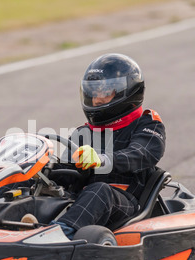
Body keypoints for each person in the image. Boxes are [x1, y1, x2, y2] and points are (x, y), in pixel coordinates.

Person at [50, 53, 166, 239]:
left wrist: (102, 159)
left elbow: (141, 153)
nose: (97, 100)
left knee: (100, 190)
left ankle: (58, 236)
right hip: (82, 201)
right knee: (35, 182)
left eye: (105, 92)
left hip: (125, 202)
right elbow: (65, 174)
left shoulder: (147, 124)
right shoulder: (83, 133)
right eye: (94, 92)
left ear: (126, 92)